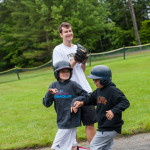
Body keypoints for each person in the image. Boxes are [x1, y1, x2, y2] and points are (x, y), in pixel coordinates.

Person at [52, 22, 97, 143]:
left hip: (85, 89)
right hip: (70, 93)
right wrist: (75, 60)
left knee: (90, 123)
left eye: (70, 31)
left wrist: (82, 62)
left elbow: (81, 70)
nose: (69, 33)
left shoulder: (78, 48)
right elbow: (61, 72)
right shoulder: (58, 50)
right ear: (61, 34)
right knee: (72, 127)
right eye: (66, 32)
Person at [71, 65, 130, 150]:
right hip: (106, 126)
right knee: (106, 147)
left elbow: (125, 102)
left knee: (94, 146)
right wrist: (81, 103)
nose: (94, 82)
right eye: (93, 79)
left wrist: (113, 111)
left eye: (96, 80)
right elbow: (91, 99)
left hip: (109, 126)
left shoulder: (113, 91)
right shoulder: (99, 91)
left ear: (104, 80)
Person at [43, 60, 89, 150]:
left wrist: (75, 101)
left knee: (55, 147)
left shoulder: (73, 85)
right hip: (61, 119)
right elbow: (46, 104)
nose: (65, 73)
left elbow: (86, 95)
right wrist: (50, 93)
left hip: (71, 119)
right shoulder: (54, 85)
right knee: (72, 146)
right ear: (57, 73)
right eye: (62, 71)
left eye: (67, 71)